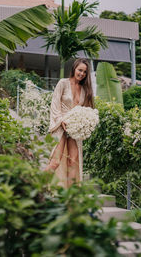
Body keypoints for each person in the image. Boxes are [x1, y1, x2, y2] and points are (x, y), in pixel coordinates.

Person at [44, 58, 94, 188]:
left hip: (74, 130)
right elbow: (55, 104)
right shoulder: (63, 83)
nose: (82, 74)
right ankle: (36, 185)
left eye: (84, 72)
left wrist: (84, 124)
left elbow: (86, 110)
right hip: (60, 126)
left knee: (73, 162)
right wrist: (61, 120)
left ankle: (70, 197)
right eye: (80, 70)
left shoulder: (85, 90)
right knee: (55, 162)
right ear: (74, 69)